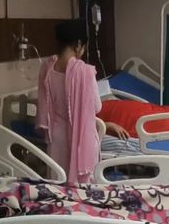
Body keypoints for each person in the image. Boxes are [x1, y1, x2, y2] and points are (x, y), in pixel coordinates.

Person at [36, 20, 129, 184]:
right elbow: (96, 106)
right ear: (78, 45)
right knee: (83, 186)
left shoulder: (48, 68)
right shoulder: (84, 71)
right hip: (80, 138)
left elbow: (45, 102)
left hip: (56, 137)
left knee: (58, 182)